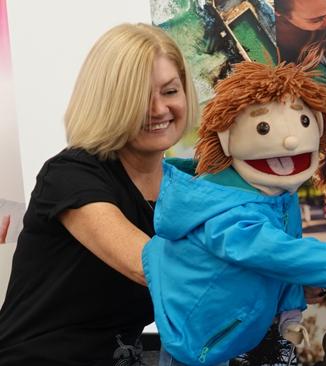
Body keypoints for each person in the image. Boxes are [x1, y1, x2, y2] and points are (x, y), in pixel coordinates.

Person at [143, 61, 326, 366]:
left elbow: (284, 257)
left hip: (236, 331)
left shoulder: (279, 195)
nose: (292, 141)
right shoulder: (223, 207)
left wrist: (290, 314)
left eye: (305, 124)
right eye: (263, 128)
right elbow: (272, 251)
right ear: (227, 138)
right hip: (200, 336)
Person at [0, 23, 199, 365]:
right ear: (109, 101)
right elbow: (150, 266)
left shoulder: (182, 184)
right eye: (138, 97)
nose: (158, 110)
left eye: (170, 91)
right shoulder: (69, 174)